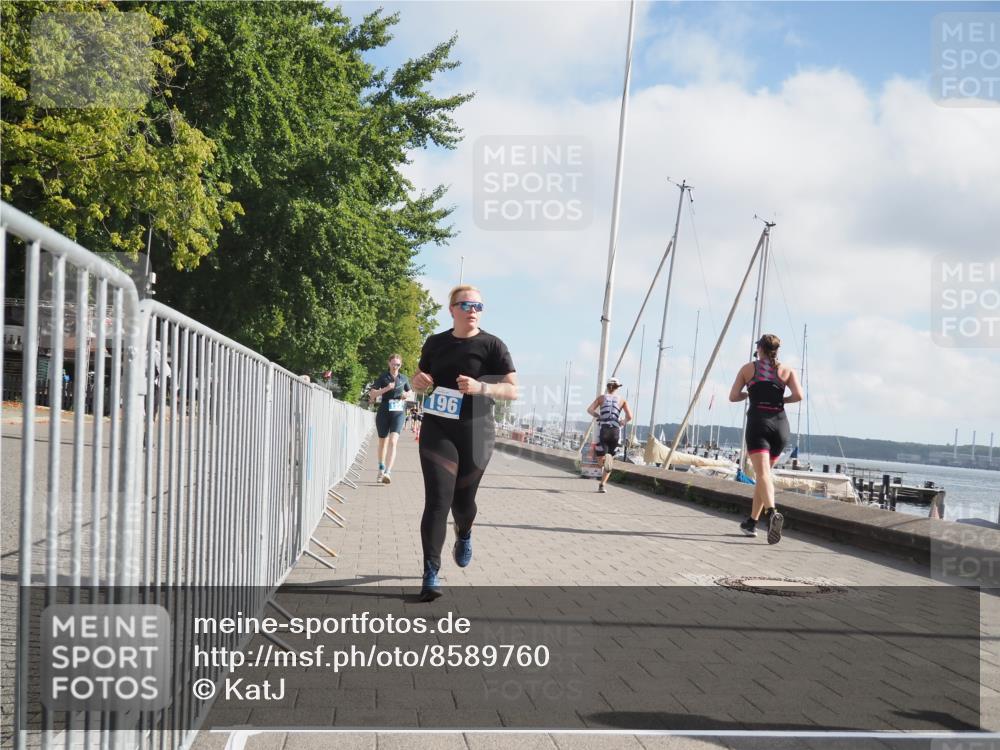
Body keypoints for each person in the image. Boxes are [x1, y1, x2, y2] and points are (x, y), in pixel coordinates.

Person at [410, 285, 518, 602]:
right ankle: (431, 572)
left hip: (477, 431)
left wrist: (480, 387)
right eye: (467, 304)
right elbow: (421, 378)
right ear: (452, 309)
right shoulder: (436, 343)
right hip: (438, 428)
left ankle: (465, 532)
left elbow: (513, 390)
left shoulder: (493, 345)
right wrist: (419, 382)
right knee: (438, 501)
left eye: (479, 306)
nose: (473, 310)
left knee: (463, 504)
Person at [728, 334, 804, 544]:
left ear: (759, 348)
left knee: (762, 475)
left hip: (758, 423)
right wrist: (782, 400)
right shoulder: (786, 370)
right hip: (780, 425)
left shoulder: (748, 369)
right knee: (765, 477)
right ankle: (752, 522)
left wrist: (747, 395)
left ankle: (771, 513)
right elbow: (799, 395)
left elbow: (733, 396)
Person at [586, 377, 633, 493]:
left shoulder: (601, 398)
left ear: (607, 387)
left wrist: (599, 416)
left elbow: (590, 410)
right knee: (610, 461)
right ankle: (602, 485)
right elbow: (630, 416)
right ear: (617, 388)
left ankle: (604, 460)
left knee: (600, 458)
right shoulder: (622, 400)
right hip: (616, 431)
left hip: (604, 430)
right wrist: (622, 421)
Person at [371, 354, 412, 484]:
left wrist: (406, 394)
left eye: (398, 365)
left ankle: (388, 472)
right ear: (389, 363)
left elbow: (409, 391)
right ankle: (381, 469)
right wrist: (386, 388)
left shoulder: (404, 378)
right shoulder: (383, 377)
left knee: (393, 441)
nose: (395, 367)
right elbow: (372, 394)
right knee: (383, 441)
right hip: (384, 410)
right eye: (393, 364)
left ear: (401, 365)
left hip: (398, 412)